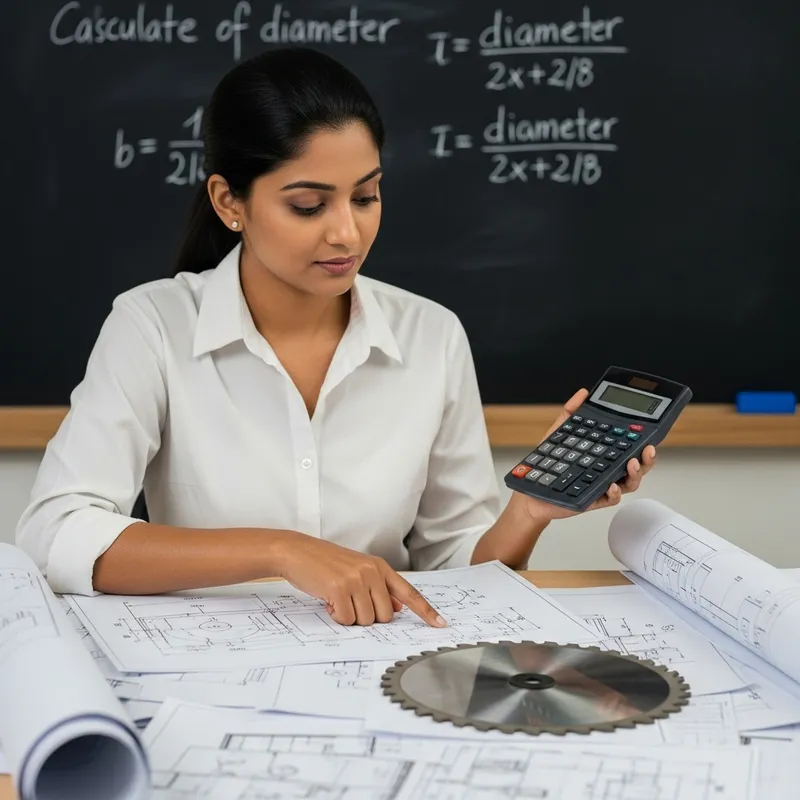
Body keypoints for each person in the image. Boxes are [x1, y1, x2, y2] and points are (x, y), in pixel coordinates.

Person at [15, 47, 656, 627]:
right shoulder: (152, 324)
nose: (347, 233)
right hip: (208, 669)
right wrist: (282, 551)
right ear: (229, 201)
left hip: (383, 675)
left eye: (366, 197)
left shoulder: (430, 335)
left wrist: (529, 511)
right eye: (308, 205)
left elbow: (459, 571)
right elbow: (56, 533)